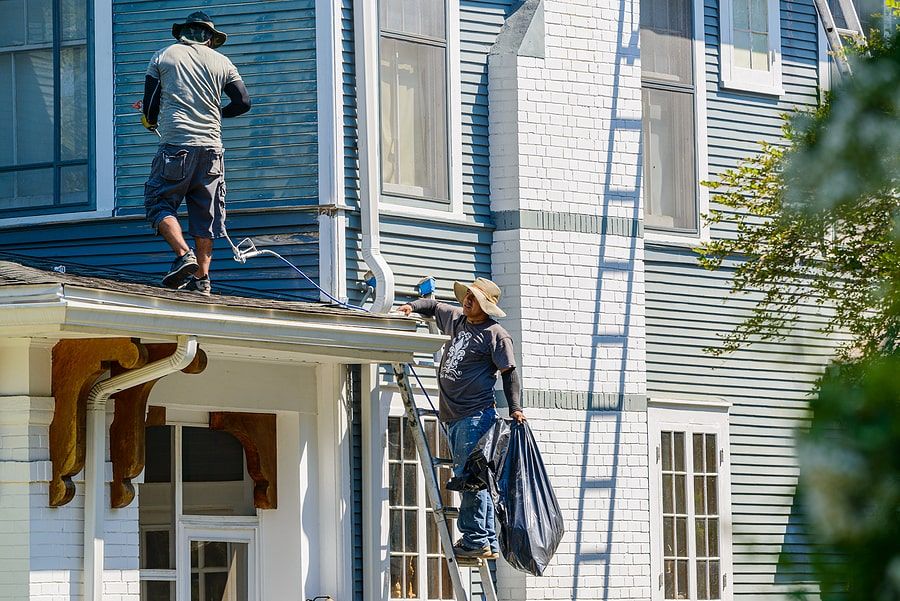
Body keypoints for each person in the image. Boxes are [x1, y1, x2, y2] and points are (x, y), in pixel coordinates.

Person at [398, 277, 526, 560]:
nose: (467, 300)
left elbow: (509, 374)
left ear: (486, 306)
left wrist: (515, 407)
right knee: (475, 477)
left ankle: (476, 538)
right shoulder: (456, 319)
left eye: (474, 298)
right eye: (467, 295)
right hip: (454, 415)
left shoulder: (496, 335)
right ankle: (487, 539)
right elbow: (431, 306)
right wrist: (410, 307)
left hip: (476, 415)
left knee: (472, 478)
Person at [141, 11, 251, 296]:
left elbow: (151, 105)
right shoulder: (223, 62)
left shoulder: (164, 56)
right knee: (207, 215)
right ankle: (202, 279)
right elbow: (242, 102)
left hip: (176, 145)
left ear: (183, 33)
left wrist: (150, 120)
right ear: (210, 38)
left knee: (158, 201)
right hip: (212, 149)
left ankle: (183, 255)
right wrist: (215, 114)